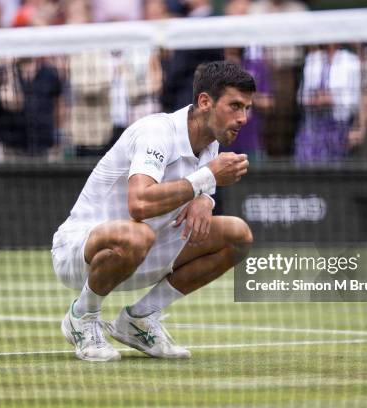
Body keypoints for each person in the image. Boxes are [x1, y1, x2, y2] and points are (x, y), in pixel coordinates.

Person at [52, 61, 255, 361]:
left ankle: (140, 318)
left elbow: (196, 189)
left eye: (247, 109)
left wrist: (206, 200)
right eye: (235, 106)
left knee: (238, 235)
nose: (242, 118)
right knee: (138, 234)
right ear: (204, 102)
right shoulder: (156, 131)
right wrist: (207, 179)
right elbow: (140, 204)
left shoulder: (209, 143)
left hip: (146, 249)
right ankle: (82, 316)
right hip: (80, 252)